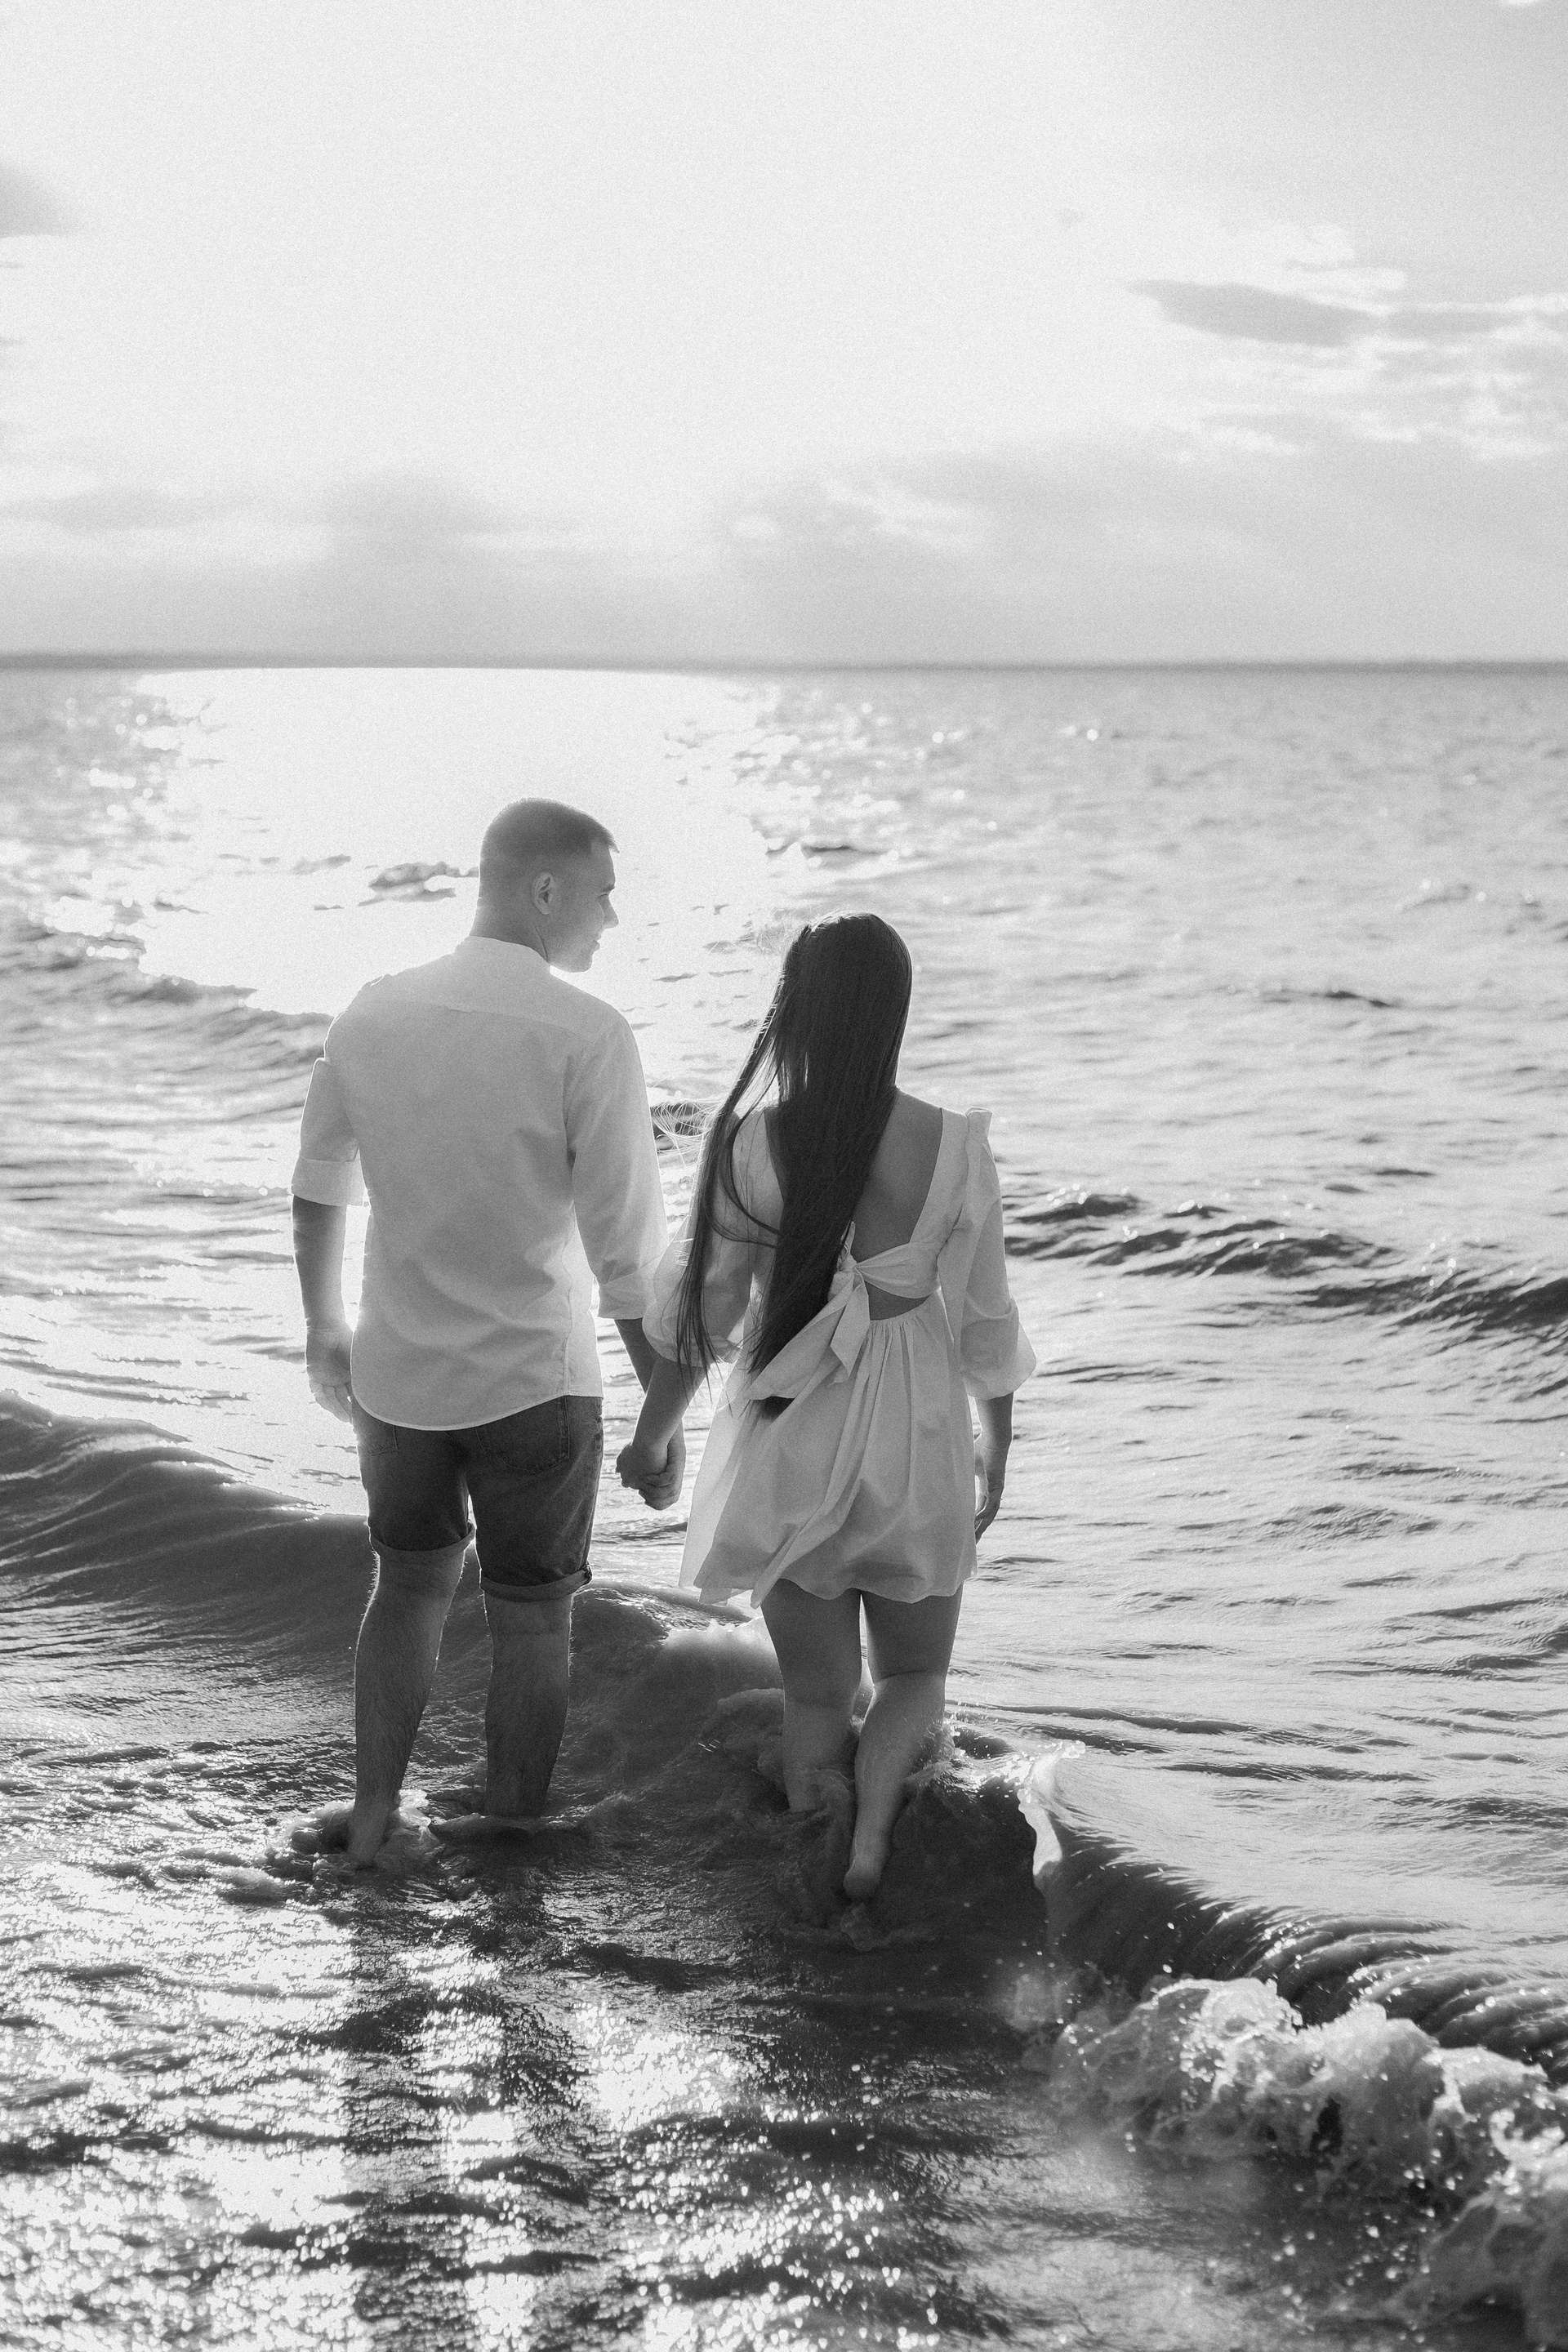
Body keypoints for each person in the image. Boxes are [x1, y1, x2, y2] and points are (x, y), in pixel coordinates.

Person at [616, 913, 1034, 1900]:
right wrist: (995, 1450)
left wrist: (652, 1435)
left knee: (816, 1696)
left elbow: (707, 1317)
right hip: (915, 1437)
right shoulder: (956, 1145)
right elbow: (985, 1322)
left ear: (794, 1012)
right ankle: (874, 1836)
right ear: (895, 1015)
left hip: (790, 1425)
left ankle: (814, 1860)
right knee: (913, 1679)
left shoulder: (752, 1143)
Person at [291, 798, 675, 1867]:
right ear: (544, 891)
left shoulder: (374, 1010)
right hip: (534, 1383)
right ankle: (509, 1833)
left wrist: (324, 1328)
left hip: (399, 1378)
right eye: (601, 895)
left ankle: (375, 1819)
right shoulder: (588, 1033)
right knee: (533, 1621)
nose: (611, 919)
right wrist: (665, 1411)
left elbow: (319, 1181)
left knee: (406, 1591)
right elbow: (625, 1248)